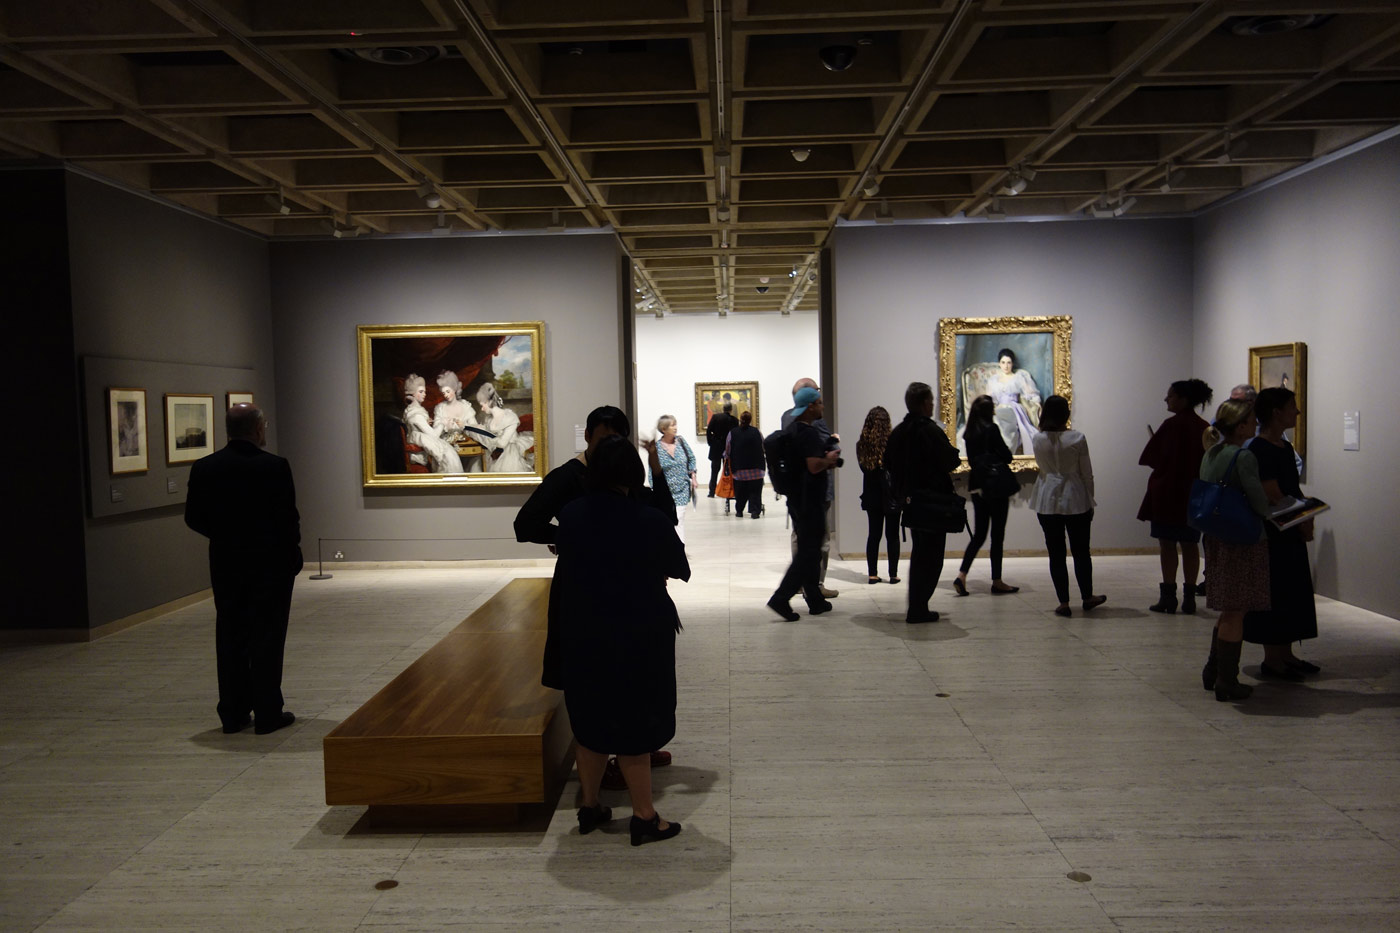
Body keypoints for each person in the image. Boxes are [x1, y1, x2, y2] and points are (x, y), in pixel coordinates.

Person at [514, 405, 678, 779]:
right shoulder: (569, 477)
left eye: (616, 438)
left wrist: (655, 470)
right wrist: (569, 539)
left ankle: (634, 750)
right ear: (588, 438)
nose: (610, 446)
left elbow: (662, 516)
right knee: (595, 677)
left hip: (630, 591)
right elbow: (526, 524)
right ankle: (607, 759)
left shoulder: (624, 473)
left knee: (634, 674)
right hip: (586, 591)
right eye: (603, 438)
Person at [555, 435, 690, 846]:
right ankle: (645, 818)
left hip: (583, 630)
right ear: (634, 472)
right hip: (638, 631)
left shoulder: (572, 515)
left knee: (591, 717)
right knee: (635, 720)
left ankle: (591, 805)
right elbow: (679, 567)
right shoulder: (648, 519)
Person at [183, 403, 302, 735]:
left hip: (227, 564)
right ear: (259, 428)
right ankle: (267, 712)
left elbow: (193, 517)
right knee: (267, 635)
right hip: (270, 565)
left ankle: (233, 713)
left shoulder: (206, 467)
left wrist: (227, 536)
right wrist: (291, 553)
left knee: (231, 635)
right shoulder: (275, 467)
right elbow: (287, 518)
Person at [1243, 386, 1320, 680]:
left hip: (1289, 531)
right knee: (1275, 592)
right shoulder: (1259, 449)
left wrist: (1306, 516)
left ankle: (1286, 654)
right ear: (1276, 413)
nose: (1297, 412)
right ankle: (1273, 659)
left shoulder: (1284, 448)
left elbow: (1291, 490)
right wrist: (1301, 516)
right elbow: (1271, 493)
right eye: (1292, 407)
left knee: (1292, 592)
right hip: (1273, 534)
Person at [1198, 398, 1273, 701]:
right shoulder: (1243, 457)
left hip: (1217, 536)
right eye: (1252, 419)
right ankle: (1226, 681)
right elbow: (1258, 501)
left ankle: (1213, 670)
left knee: (1229, 607)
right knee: (1236, 610)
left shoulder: (1211, 452)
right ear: (1240, 425)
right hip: (1242, 539)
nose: (1256, 423)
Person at [885, 382, 961, 623]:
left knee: (919, 554)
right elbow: (950, 460)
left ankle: (917, 606)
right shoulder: (929, 430)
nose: (933, 405)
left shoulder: (899, 431)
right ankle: (919, 607)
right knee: (932, 556)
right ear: (922, 403)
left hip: (912, 501)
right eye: (930, 401)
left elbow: (888, 462)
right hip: (933, 502)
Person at [1137, 378, 1213, 613]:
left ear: (1183, 399)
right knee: (1190, 544)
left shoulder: (1171, 425)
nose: (1166, 399)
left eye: (1170, 396)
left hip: (1168, 493)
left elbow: (1150, 458)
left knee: (1167, 545)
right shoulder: (1204, 427)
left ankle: (1169, 596)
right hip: (1194, 494)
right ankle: (1189, 597)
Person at [767, 386, 840, 621]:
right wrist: (828, 460)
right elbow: (812, 465)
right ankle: (781, 598)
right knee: (808, 553)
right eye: (819, 402)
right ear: (809, 407)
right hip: (810, 501)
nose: (822, 406)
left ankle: (815, 601)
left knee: (811, 551)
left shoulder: (793, 430)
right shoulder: (807, 433)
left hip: (798, 500)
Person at [1028, 395, 1105, 617]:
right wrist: (1090, 499)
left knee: (1056, 553)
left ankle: (1063, 602)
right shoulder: (1077, 438)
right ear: (1066, 414)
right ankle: (1087, 596)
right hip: (1075, 498)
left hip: (1046, 498)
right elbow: (1087, 474)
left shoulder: (1038, 439)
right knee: (1081, 551)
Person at [955, 394, 1019, 597]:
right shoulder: (992, 429)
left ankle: (962, 575)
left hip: (977, 485)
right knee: (997, 535)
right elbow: (1007, 456)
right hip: (996, 486)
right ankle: (997, 581)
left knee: (979, 534)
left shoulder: (969, 432)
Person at [782, 377, 839, 598]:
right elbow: (817, 459)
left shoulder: (786, 418)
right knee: (820, 539)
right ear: (810, 403)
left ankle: (799, 584)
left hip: (795, 491)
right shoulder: (814, 425)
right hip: (815, 492)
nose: (822, 404)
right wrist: (833, 446)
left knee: (798, 536)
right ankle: (815, 584)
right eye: (818, 396)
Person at [856, 406, 900, 585]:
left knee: (873, 535)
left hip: (871, 494)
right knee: (893, 535)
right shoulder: (893, 443)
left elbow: (864, 469)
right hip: (891, 495)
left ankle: (872, 574)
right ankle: (893, 574)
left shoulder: (862, 445)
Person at [984, 348, 1042, 456]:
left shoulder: (1018, 378)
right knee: (994, 421)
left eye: (1009, 362)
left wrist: (1036, 403)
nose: (1006, 366)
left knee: (1007, 424)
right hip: (999, 408)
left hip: (1014, 408)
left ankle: (1008, 451)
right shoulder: (993, 380)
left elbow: (1031, 394)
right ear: (999, 364)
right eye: (1003, 362)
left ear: (1012, 364)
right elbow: (988, 398)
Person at [649, 415, 697, 544]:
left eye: (675, 424)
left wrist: (693, 475)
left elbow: (691, 458)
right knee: (669, 520)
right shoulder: (658, 448)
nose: (675, 428)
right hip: (666, 491)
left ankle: (680, 546)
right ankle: (672, 546)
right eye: (672, 425)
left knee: (679, 518)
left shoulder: (681, 442)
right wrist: (655, 489)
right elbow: (652, 470)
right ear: (664, 429)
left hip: (682, 488)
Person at [402, 373, 464, 473]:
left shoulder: (416, 412)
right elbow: (434, 435)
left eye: (424, 392)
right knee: (449, 455)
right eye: (421, 392)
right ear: (413, 394)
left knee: (449, 452)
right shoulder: (416, 415)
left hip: (423, 445)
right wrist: (442, 423)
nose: (424, 394)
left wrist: (428, 423)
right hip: (418, 454)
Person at [476, 382, 533, 473]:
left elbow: (502, 443)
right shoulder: (488, 419)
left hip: (509, 454)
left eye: (482, 405)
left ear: (488, 402)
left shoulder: (510, 417)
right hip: (493, 453)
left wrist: (483, 434)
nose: (482, 409)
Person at [433, 370, 483, 472]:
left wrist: (464, 425)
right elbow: (435, 432)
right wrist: (444, 425)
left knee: (476, 459)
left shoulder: (465, 406)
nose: (446, 395)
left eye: (448, 391)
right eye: (443, 393)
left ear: (455, 389)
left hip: (465, 442)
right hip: (446, 443)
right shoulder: (440, 408)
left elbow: (474, 426)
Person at [724, 409, 766, 518]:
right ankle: (755, 511)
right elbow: (763, 446)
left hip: (739, 469)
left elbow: (728, 449)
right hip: (757, 469)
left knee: (741, 492)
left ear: (740, 420)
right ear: (750, 420)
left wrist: (726, 456)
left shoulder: (733, 433)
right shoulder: (757, 431)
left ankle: (739, 511)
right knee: (756, 492)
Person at [705, 402, 738, 498]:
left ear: (723, 409)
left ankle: (712, 492)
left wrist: (711, 442)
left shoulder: (716, 417)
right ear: (731, 409)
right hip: (729, 447)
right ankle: (729, 490)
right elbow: (735, 434)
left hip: (716, 446)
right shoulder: (734, 420)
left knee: (714, 470)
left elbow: (709, 430)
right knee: (729, 470)